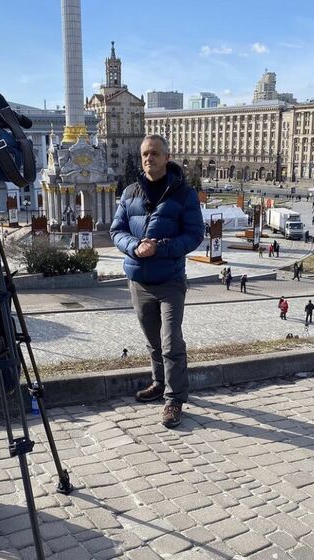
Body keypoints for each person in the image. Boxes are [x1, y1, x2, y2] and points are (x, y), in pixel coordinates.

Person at [111, 134, 204, 429]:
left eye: (154, 153)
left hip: (170, 282)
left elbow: (194, 234)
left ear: (166, 157)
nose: (148, 159)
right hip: (138, 281)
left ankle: (174, 400)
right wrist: (135, 247)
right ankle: (158, 383)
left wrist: (160, 247)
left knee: (170, 342)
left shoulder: (184, 194)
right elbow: (117, 230)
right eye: (144, 155)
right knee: (153, 341)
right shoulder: (130, 193)